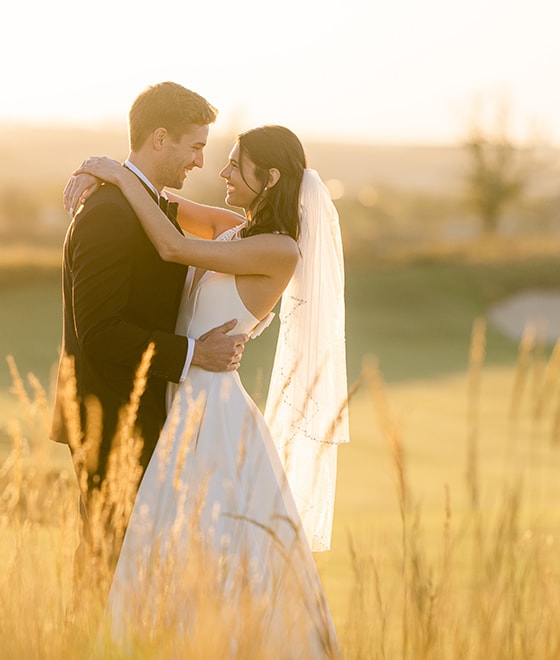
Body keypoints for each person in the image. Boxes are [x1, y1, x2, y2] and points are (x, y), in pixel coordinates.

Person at [63, 125, 349, 657]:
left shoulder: (280, 250)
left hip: (211, 413)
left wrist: (112, 173)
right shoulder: (236, 229)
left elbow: (171, 245)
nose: (220, 171)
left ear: (270, 177)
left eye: (234, 164)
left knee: (203, 547)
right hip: (178, 398)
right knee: (160, 548)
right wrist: (101, 173)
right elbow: (159, 200)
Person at [50, 82, 249, 596]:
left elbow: (235, 229)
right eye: (196, 146)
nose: (201, 161)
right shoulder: (110, 215)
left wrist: (116, 171)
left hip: (141, 417)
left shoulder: (144, 203)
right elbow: (99, 331)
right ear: (160, 139)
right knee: (107, 567)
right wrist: (192, 353)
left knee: (134, 572)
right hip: (110, 420)